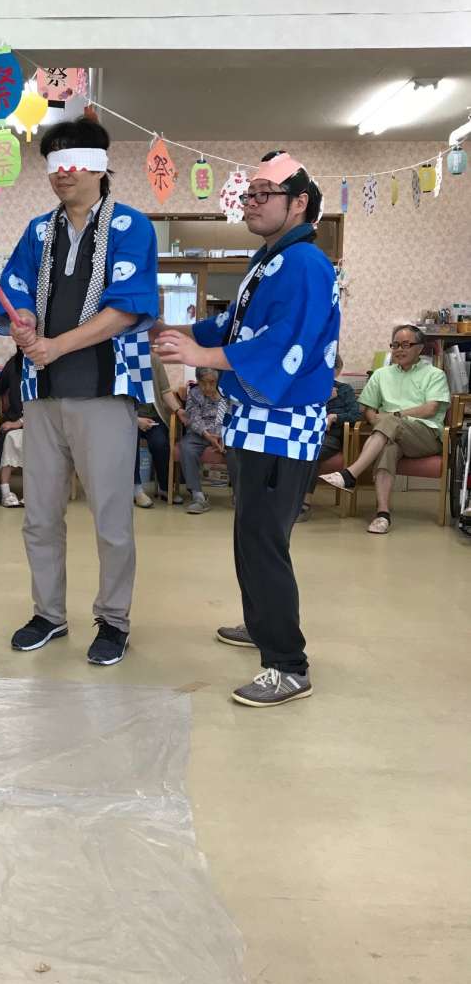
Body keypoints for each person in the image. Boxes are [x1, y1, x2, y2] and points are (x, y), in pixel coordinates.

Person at [153, 151, 340, 707]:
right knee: (253, 535)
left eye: (263, 194)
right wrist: (181, 331)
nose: (250, 203)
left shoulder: (304, 263)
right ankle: (262, 626)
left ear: (299, 203)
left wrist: (201, 354)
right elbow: (231, 325)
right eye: (248, 194)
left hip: (283, 423)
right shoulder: (270, 260)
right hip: (255, 422)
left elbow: (283, 345)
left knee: (263, 542)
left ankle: (288, 665)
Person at [0, 116, 159, 667]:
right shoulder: (39, 231)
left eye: (73, 161)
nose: (61, 173)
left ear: (100, 167)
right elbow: (15, 293)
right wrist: (22, 323)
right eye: (53, 163)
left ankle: (114, 620)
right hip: (41, 393)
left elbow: (127, 308)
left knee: (111, 518)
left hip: (105, 391)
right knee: (39, 514)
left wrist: (57, 345)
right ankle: (49, 614)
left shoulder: (132, 226)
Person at [320, 325, 450, 533]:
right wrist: (381, 423)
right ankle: (382, 515)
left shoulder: (435, 374)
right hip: (390, 433)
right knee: (388, 448)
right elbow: (369, 410)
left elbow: (430, 409)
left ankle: (351, 474)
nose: (399, 350)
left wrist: (393, 417)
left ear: (420, 348)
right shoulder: (380, 375)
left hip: (425, 436)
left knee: (390, 420)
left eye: (405, 345)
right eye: (395, 345)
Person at [298, 353, 360, 520]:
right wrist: (324, 400)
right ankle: (284, 499)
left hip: (331, 437)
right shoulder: (308, 389)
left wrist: (335, 417)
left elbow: (356, 415)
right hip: (306, 434)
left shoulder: (344, 390)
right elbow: (299, 413)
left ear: (337, 371)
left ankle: (304, 503)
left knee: (312, 453)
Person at [178, 367, 232, 514]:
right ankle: (198, 497)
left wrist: (222, 435)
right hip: (200, 433)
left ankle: (239, 496)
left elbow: (232, 416)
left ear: (218, 380)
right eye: (203, 383)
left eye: (212, 382)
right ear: (198, 381)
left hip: (224, 433)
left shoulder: (228, 392)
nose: (207, 387)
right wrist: (207, 435)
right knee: (186, 447)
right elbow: (193, 418)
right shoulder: (194, 393)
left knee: (238, 450)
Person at [132, 353, 184, 507]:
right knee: (130, 442)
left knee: (160, 443)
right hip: (130, 417)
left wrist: (179, 410)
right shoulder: (123, 357)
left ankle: (164, 487)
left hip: (154, 416)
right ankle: (136, 490)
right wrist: (137, 420)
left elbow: (165, 391)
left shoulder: (154, 359)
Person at [0, 346, 24, 508]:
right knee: (4, 438)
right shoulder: (14, 362)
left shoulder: (45, 362)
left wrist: (20, 422)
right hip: (14, 419)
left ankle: (34, 491)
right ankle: (5, 492)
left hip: (41, 421)